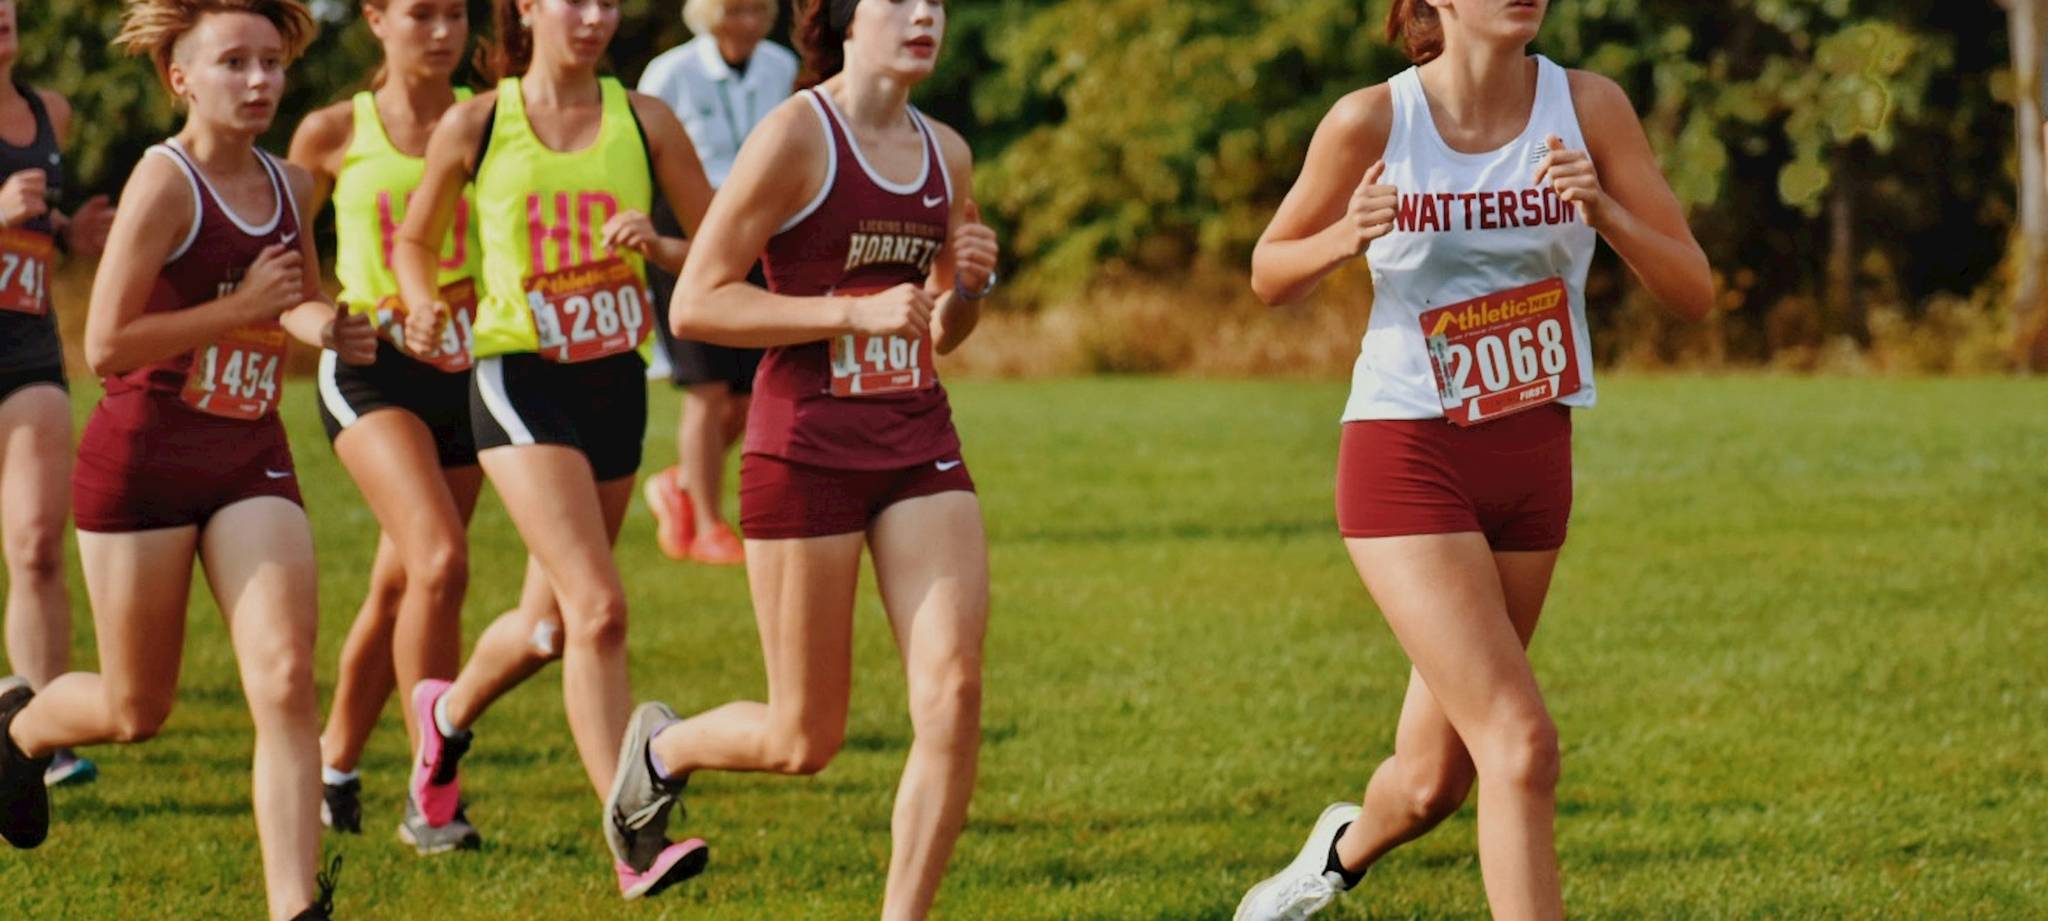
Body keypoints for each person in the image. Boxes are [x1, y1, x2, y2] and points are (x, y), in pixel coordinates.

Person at [1233, 2, 1713, 919]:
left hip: (1534, 459)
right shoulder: (1373, 119)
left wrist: (1603, 210)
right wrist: (1346, 235)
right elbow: (1269, 271)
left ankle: (1335, 854)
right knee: (1520, 743)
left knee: (1432, 781)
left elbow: (1693, 289)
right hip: (1407, 453)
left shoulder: (1591, 107)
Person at [614, 1, 1002, 918]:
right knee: (803, 738)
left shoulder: (947, 153)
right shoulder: (796, 135)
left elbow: (941, 330)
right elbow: (699, 302)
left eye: (935, 1)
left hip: (917, 440)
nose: (924, 14)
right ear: (843, 19)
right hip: (805, 447)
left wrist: (970, 289)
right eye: (898, 0)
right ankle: (663, 750)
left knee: (953, 691)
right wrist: (849, 312)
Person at [0, 2, 364, 918]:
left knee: (286, 678)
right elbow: (108, 343)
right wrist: (237, 308)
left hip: (248, 456)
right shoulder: (164, 181)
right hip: (145, 460)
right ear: (181, 78)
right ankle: (22, 728)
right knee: (136, 710)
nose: (259, 80)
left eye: (271, 61)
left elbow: (293, 299)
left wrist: (330, 325)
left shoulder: (289, 183)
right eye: (233, 62)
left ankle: (296, 908)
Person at [390, 0, 716, 898]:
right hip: (517, 376)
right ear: (527, 8)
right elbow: (414, 241)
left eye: (610, 1)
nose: (595, 16)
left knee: (549, 628)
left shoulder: (646, 120)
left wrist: (659, 244)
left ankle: (444, 718)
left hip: (614, 381)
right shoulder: (477, 123)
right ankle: (634, 836)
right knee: (599, 609)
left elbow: (720, 248)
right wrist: (422, 301)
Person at [287, 0, 500, 852]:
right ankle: (432, 792)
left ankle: (335, 761)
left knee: (402, 583)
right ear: (375, 19)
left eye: (454, 14)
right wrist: (324, 320)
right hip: (371, 368)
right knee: (440, 559)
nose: (441, 32)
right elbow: (287, 259)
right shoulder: (333, 131)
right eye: (419, 14)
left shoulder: (495, 119)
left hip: (473, 367)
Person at [0, 0, 115, 790]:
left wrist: (73, 232)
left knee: (39, 544)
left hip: (29, 349)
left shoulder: (52, 113)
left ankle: (38, 739)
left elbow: (36, 212)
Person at [636, 0, 796, 565]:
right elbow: (640, 160)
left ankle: (679, 484)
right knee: (706, 387)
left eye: (758, 11)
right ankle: (706, 524)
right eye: (735, 10)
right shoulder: (669, 74)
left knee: (750, 393)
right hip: (685, 233)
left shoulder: (781, 66)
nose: (747, 22)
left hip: (759, 231)